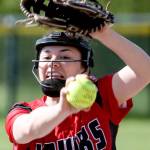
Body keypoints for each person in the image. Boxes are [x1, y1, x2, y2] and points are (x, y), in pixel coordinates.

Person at [5, 26, 150, 150]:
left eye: (65, 57)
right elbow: (25, 131)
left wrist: (104, 33)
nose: (53, 63)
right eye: (47, 58)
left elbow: (146, 71)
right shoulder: (23, 111)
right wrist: (62, 110)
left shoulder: (100, 96)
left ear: (85, 68)